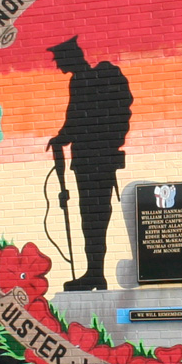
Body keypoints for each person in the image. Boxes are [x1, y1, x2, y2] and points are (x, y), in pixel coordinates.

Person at [46, 37, 132, 292]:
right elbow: (73, 120)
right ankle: (94, 272)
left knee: (95, 215)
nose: (57, 64)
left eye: (59, 59)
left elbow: (84, 119)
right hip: (85, 158)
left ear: (71, 56)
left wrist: (69, 136)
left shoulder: (93, 79)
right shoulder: (78, 81)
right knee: (90, 216)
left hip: (97, 158)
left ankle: (96, 272)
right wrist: (62, 137)